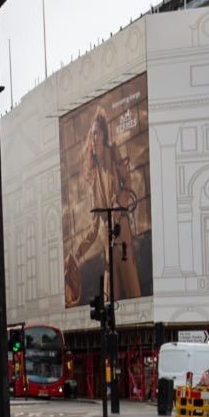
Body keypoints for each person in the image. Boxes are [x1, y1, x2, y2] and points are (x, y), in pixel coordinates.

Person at [67, 108, 142, 302]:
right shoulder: (92, 175)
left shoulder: (112, 153)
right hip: (107, 247)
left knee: (134, 294)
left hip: (122, 238)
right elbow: (93, 228)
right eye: (92, 135)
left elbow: (127, 182)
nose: (94, 138)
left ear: (103, 135)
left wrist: (119, 204)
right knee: (109, 302)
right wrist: (77, 254)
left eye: (97, 133)